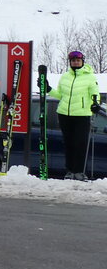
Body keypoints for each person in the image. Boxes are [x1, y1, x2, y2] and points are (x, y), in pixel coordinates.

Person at [46, 49, 101, 180]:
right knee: (69, 143)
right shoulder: (65, 76)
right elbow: (60, 95)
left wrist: (95, 103)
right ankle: (69, 171)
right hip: (64, 114)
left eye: (78, 60)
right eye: (73, 61)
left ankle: (79, 172)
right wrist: (48, 89)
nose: (76, 63)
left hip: (82, 115)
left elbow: (95, 94)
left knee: (80, 144)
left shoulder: (90, 77)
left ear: (82, 62)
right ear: (70, 62)